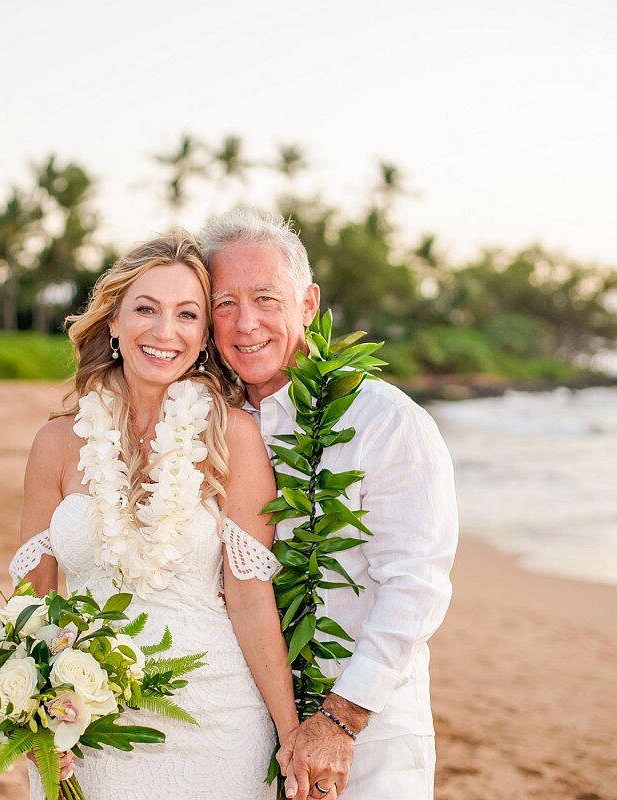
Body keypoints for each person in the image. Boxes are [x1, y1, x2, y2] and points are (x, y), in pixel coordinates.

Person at [9, 231, 300, 799]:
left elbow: (250, 598)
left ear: (202, 336)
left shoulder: (233, 437)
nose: (165, 332)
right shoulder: (56, 444)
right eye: (146, 309)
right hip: (91, 726)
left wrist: (289, 735)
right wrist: (34, 723)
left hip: (219, 725)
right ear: (113, 321)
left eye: (187, 314)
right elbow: (32, 600)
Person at [200, 208, 458, 800]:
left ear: (309, 304)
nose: (246, 324)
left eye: (266, 298)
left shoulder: (386, 421)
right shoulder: (204, 426)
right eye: (224, 304)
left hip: (370, 730)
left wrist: (340, 719)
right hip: (241, 730)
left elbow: (415, 587)